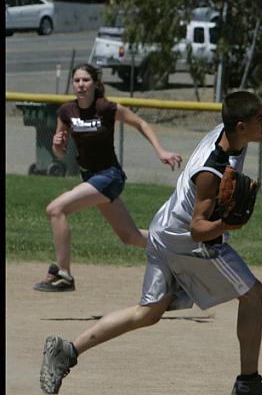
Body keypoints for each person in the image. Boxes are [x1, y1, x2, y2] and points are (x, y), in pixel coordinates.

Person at [40, 28, 262, 395]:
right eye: (258, 122)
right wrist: (229, 223)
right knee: (252, 293)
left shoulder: (230, 131)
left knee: (149, 312)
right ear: (243, 127)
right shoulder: (213, 170)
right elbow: (199, 228)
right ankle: (248, 381)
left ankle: (67, 350)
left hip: (161, 229)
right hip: (186, 240)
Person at [34, 63, 182, 292]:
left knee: (56, 209)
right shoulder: (67, 112)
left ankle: (64, 274)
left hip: (109, 176)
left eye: (85, 80)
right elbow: (60, 152)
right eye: (77, 80)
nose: (81, 85)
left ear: (96, 84)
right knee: (130, 236)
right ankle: (179, 250)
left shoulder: (107, 108)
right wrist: (57, 146)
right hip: (91, 178)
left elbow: (140, 123)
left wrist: (161, 151)